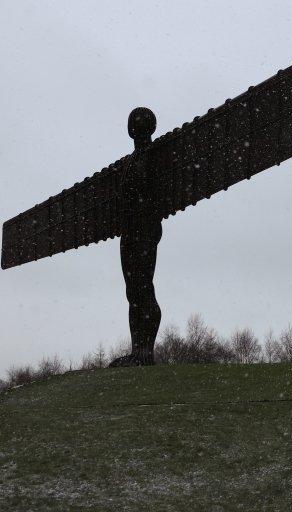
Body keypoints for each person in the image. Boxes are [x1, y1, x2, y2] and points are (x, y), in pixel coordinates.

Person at [110, 107, 162, 367]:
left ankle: (146, 351)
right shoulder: (127, 163)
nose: (136, 128)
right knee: (133, 291)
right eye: (134, 123)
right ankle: (136, 350)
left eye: (140, 124)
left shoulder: (158, 154)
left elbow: (154, 191)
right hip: (129, 231)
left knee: (143, 287)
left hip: (145, 228)